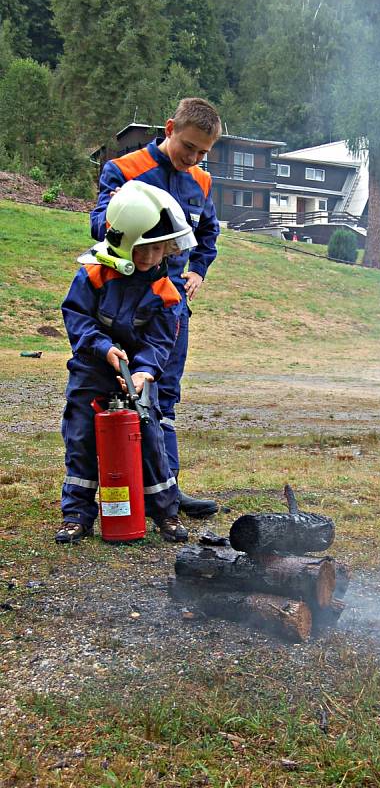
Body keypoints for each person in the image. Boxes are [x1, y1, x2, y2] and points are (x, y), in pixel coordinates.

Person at [90, 98, 222, 519]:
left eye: (204, 152)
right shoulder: (124, 170)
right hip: (122, 302)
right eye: (189, 148)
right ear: (169, 129)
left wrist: (198, 269)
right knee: (112, 393)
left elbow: (209, 233)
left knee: (163, 396)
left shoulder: (200, 181)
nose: (195, 158)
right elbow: (98, 225)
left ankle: (167, 490)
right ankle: (116, 489)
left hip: (171, 309)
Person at [56, 181, 198, 545]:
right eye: (142, 249)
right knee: (82, 433)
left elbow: (160, 342)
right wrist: (102, 348)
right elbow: (77, 317)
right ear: (122, 240)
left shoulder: (166, 292)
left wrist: (143, 372)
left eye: (159, 249)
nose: (150, 258)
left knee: (149, 436)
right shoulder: (93, 274)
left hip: (135, 373)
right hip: (93, 367)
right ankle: (77, 515)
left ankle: (165, 514)